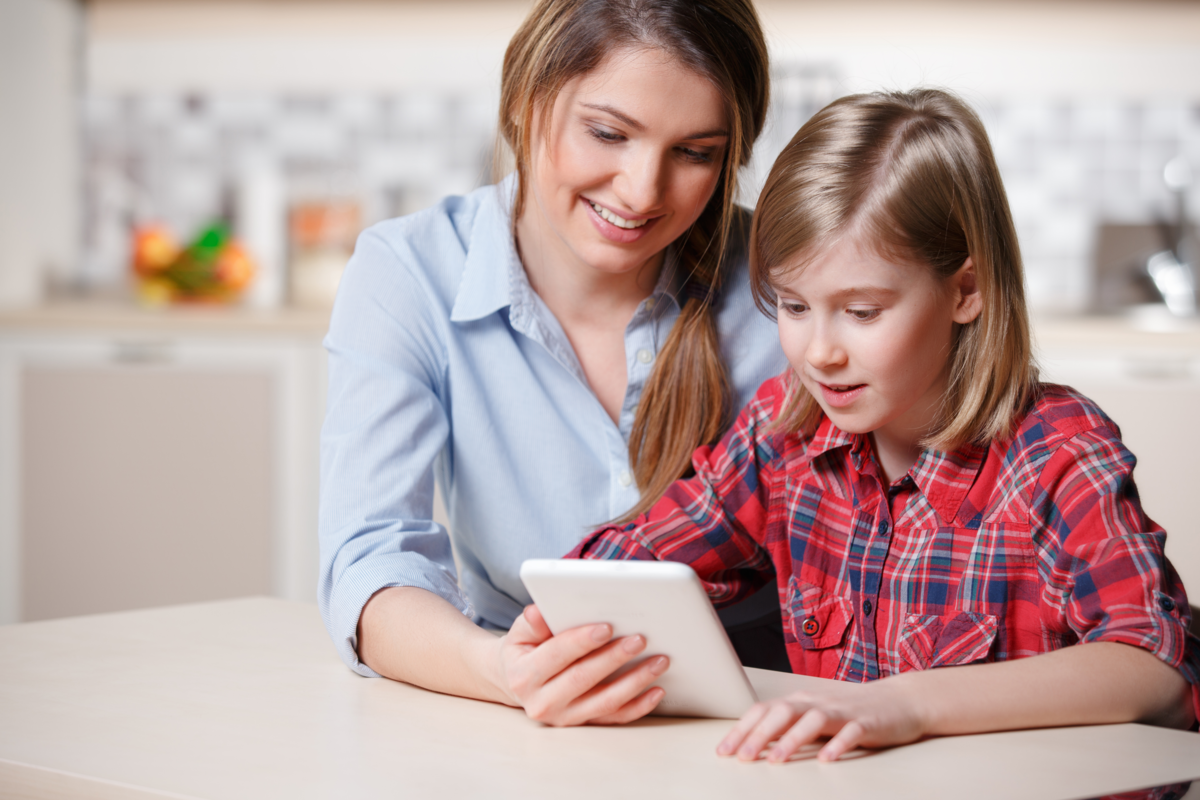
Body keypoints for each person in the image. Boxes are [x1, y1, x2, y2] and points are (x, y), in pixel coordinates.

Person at [570, 88, 1200, 756]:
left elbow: (1152, 669)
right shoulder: (787, 431)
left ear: (965, 291)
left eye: (862, 311)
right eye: (793, 305)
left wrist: (904, 704)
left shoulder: (1057, 453)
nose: (820, 352)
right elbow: (635, 558)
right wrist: (559, 621)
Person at [319, 0, 788, 725]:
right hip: (526, 711)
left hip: (767, 710)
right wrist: (503, 669)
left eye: (695, 153)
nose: (641, 190)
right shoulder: (409, 272)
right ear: (525, 102)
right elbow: (371, 562)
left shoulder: (785, 284)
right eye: (608, 133)